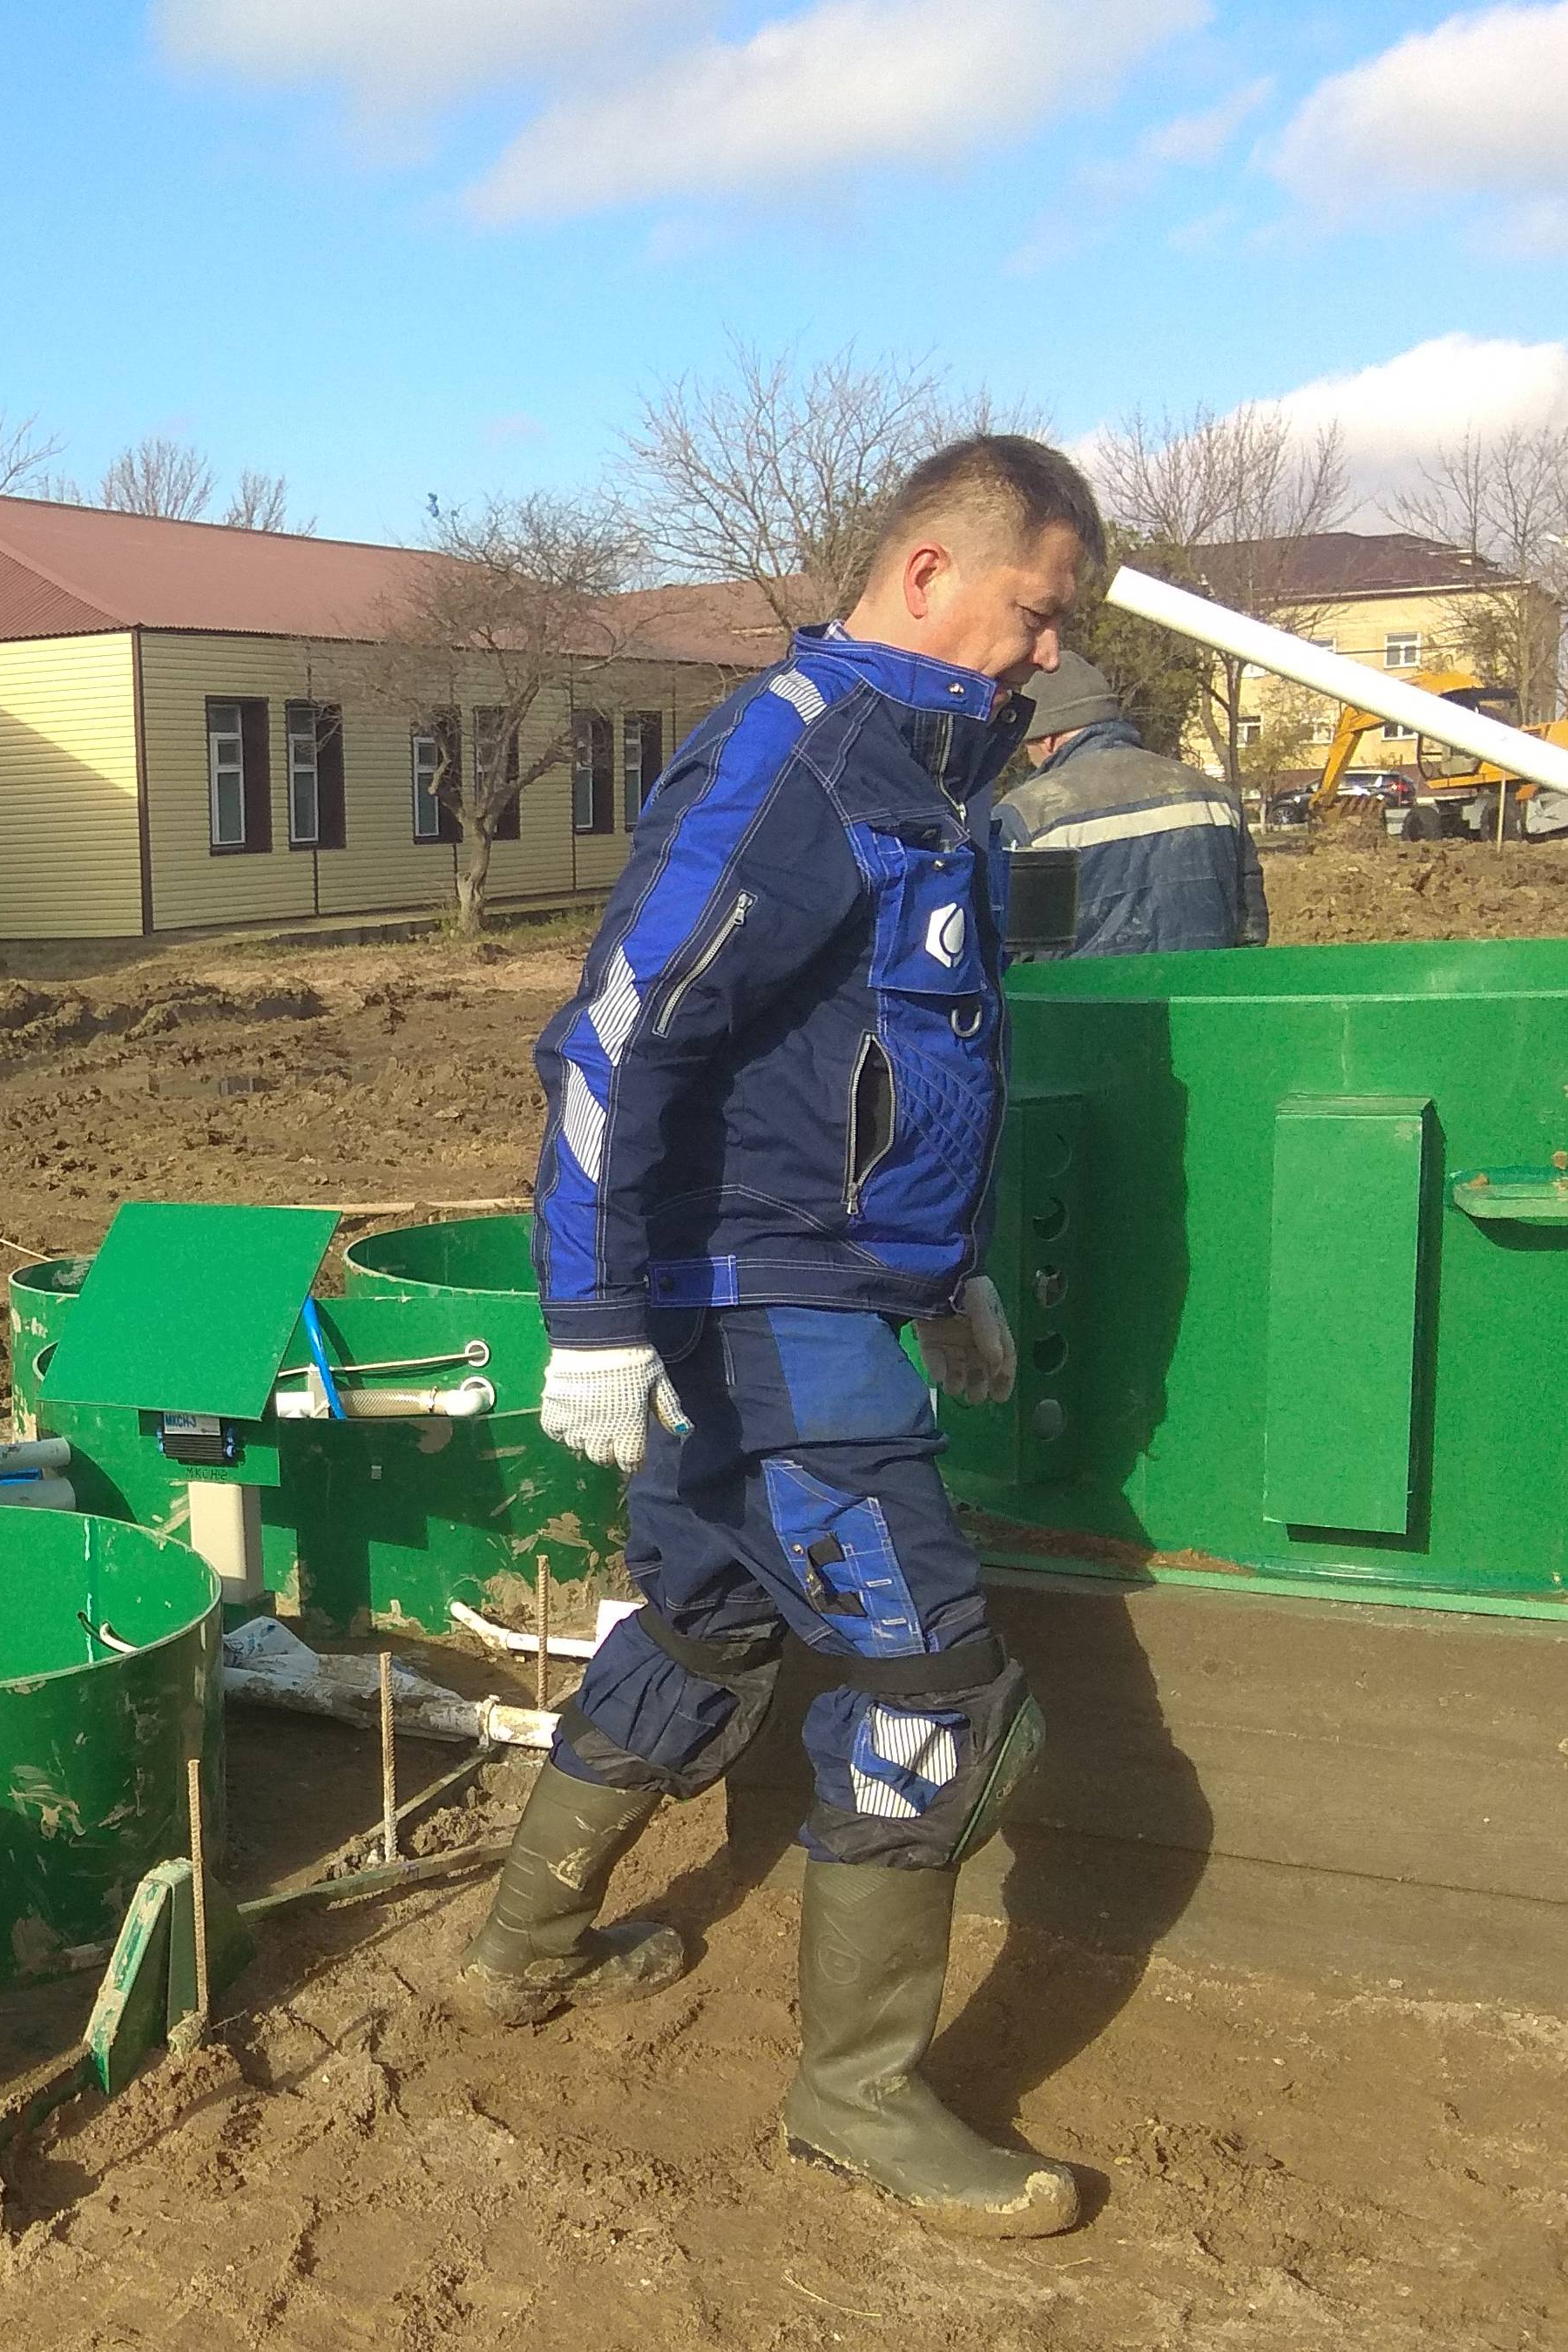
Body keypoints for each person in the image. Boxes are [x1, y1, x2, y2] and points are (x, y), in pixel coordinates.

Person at [465, 436, 1098, 2240]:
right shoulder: (794, 758)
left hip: (817, 1293)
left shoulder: (917, 776)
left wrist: (937, 1275)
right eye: (1033, 611)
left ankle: (514, 1952)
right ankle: (853, 2096)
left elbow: (866, 1072)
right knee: (936, 1691)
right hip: (760, 1320)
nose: (1045, 652)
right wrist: (591, 1315)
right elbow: (615, 1037)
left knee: (704, 1620)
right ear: (926, 573)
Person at [990, 648, 1267, 956]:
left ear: (1048, 740)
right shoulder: (1217, 797)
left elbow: (1010, 953)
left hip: (1082, 989)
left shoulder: (1026, 814)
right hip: (1203, 986)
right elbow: (1250, 931)